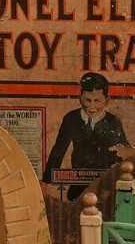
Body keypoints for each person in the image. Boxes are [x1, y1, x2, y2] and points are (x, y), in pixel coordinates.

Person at [42, 73, 129, 201]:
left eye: (97, 101)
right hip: (78, 187)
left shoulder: (113, 122)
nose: (91, 107)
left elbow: (124, 154)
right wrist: (46, 182)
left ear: (107, 100)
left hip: (105, 190)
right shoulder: (71, 119)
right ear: (80, 98)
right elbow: (58, 150)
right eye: (87, 100)